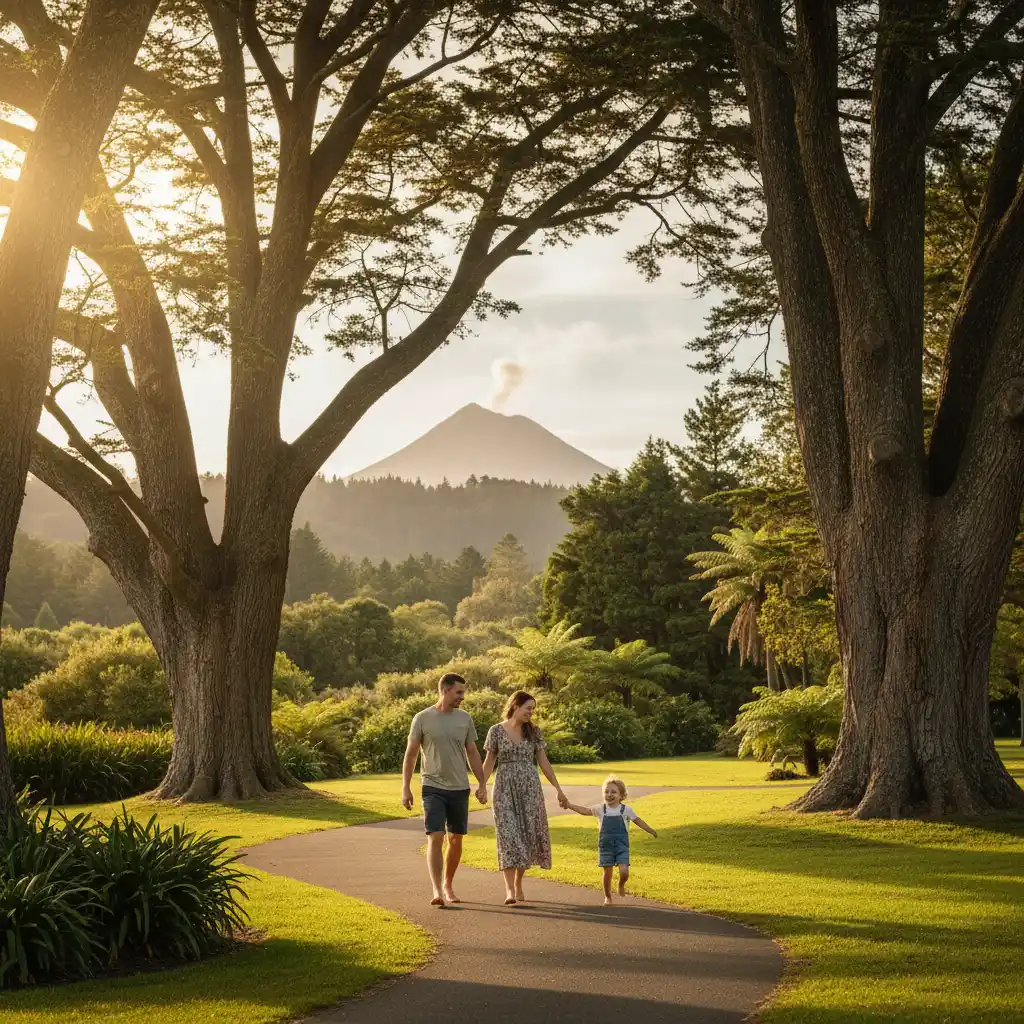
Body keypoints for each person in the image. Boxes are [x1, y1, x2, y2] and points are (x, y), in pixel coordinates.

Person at [401, 672, 487, 907]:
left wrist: (482, 784)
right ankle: (437, 889)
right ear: (446, 690)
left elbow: (472, 753)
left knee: (455, 839)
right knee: (436, 835)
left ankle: (448, 884)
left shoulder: (465, 719)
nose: (462, 697)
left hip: (459, 787)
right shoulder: (422, 718)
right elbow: (411, 754)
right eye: (459, 692)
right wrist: (405, 787)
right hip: (432, 786)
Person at [481, 690, 570, 906]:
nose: (531, 712)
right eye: (528, 708)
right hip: (504, 789)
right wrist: (481, 786)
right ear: (515, 706)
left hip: (530, 790)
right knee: (508, 836)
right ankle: (509, 889)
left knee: (526, 837)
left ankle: (518, 882)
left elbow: (544, 763)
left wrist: (558, 789)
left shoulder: (534, 732)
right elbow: (489, 762)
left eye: (533, 709)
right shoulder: (496, 731)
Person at [564, 775, 657, 905]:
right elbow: (585, 811)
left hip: (621, 846)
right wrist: (569, 805)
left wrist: (650, 830)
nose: (609, 794)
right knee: (607, 873)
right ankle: (608, 896)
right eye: (606, 791)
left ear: (621, 795)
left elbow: (637, 820)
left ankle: (621, 884)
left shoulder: (626, 810)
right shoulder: (601, 809)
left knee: (624, 871)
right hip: (606, 846)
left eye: (613, 792)